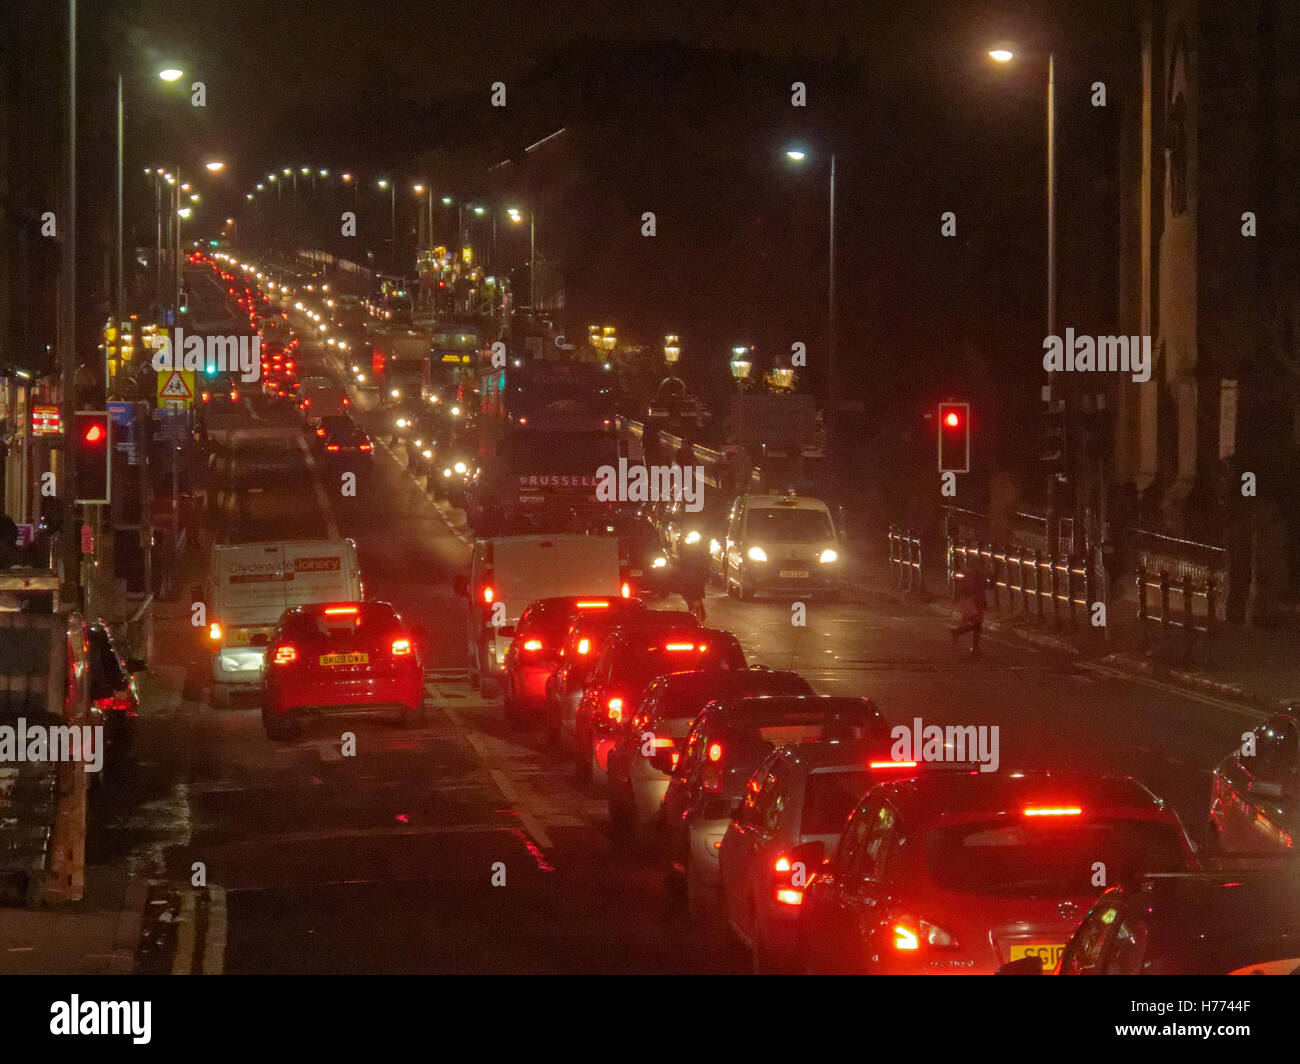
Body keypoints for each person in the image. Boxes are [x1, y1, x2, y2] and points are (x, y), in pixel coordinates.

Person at [951, 562, 988, 658]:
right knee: (977, 624)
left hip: (973, 601)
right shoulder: (976, 574)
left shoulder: (970, 573)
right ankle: (974, 648)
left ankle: (973, 647)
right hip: (974, 601)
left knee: (977, 624)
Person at [677, 534, 711, 622]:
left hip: (696, 578)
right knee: (691, 596)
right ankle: (694, 613)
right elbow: (682, 563)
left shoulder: (702, 552)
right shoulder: (687, 551)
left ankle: (697, 614)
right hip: (690, 578)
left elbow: (705, 564)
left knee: (695, 596)